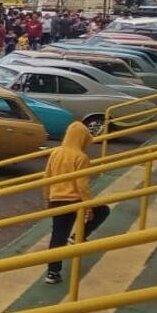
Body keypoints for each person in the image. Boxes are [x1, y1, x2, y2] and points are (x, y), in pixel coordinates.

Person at [42, 122, 109, 284]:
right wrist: (88, 207)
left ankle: (52, 272)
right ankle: (79, 235)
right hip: (74, 201)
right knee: (103, 211)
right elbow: (82, 186)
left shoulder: (56, 152)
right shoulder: (81, 157)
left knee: (58, 236)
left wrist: (47, 198)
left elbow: (47, 177)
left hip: (56, 200)